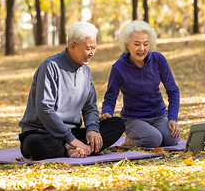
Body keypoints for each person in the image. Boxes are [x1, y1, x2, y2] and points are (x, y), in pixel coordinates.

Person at [19, 22, 125, 160]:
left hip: (72, 132)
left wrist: (92, 129)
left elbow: (90, 107)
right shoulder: (50, 66)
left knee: (117, 124)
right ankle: (73, 149)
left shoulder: (86, 71)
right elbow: (44, 108)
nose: (92, 53)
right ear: (73, 46)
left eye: (94, 48)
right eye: (88, 48)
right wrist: (70, 140)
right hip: (43, 132)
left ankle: (79, 148)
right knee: (35, 145)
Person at [100, 21, 181, 148]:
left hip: (159, 116)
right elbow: (110, 97)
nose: (142, 49)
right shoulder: (118, 68)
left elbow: (173, 91)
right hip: (134, 119)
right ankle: (130, 141)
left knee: (173, 139)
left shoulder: (159, 60)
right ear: (127, 45)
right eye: (137, 44)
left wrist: (172, 118)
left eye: (146, 44)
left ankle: (148, 134)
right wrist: (107, 112)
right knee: (153, 140)